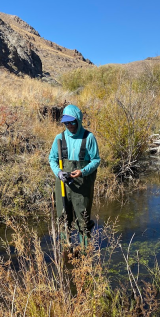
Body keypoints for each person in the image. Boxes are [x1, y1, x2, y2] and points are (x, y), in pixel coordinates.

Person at [48, 104, 100, 248]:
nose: (69, 125)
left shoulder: (89, 137)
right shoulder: (59, 138)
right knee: (63, 218)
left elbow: (96, 160)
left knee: (83, 219)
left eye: (72, 122)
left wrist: (82, 171)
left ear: (79, 120)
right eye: (66, 122)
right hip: (63, 185)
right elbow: (52, 159)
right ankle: (66, 250)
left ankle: (84, 253)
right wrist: (59, 172)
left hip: (82, 186)